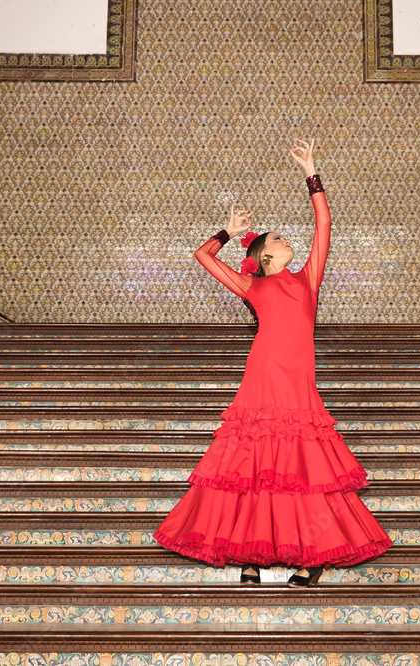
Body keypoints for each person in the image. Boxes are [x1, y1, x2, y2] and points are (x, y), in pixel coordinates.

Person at [153, 139, 392, 586]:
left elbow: (324, 222)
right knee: (254, 466)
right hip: (262, 377)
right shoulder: (251, 285)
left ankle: (312, 556)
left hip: (297, 382)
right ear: (264, 253)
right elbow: (202, 256)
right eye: (280, 239)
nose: (289, 241)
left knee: (301, 469)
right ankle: (251, 554)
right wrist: (227, 230)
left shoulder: (308, 278)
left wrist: (311, 171)